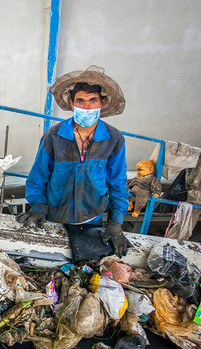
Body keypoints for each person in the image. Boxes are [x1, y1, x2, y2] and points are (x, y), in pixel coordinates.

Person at [18, 65, 130, 260]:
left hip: (92, 218)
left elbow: (118, 183)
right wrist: (38, 207)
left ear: (102, 103)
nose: (86, 107)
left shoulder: (114, 139)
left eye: (92, 101)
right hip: (55, 216)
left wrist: (115, 223)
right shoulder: (53, 136)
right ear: (71, 104)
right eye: (80, 101)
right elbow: (38, 178)